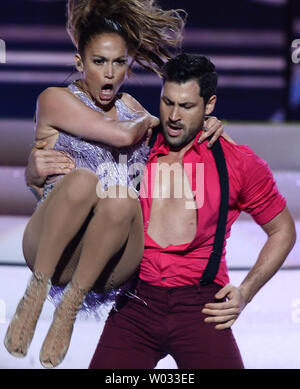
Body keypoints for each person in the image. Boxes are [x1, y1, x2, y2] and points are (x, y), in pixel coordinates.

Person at [4, 0, 227, 369]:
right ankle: (36, 291)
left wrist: (205, 122)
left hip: (109, 263)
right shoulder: (55, 100)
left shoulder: (136, 110)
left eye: (118, 62)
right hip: (54, 248)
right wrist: (33, 172)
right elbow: (118, 136)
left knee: (123, 198)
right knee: (81, 182)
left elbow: (176, 126)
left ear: (129, 65)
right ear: (80, 63)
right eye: (98, 62)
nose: (109, 73)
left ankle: (69, 309)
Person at [86, 54, 295, 369]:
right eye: (167, 102)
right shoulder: (135, 147)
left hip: (203, 306)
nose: (173, 115)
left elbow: (283, 231)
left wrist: (246, 292)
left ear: (209, 105)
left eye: (186, 106)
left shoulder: (236, 161)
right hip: (136, 303)